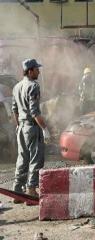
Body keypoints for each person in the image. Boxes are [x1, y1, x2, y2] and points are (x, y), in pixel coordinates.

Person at [11, 59, 50, 202]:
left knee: (22, 158)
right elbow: (34, 112)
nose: (39, 71)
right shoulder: (33, 86)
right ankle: (31, 190)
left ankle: (17, 190)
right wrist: (45, 128)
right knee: (36, 159)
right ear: (30, 71)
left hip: (21, 127)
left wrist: (18, 126)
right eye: (36, 69)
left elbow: (14, 110)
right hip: (32, 128)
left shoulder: (16, 87)